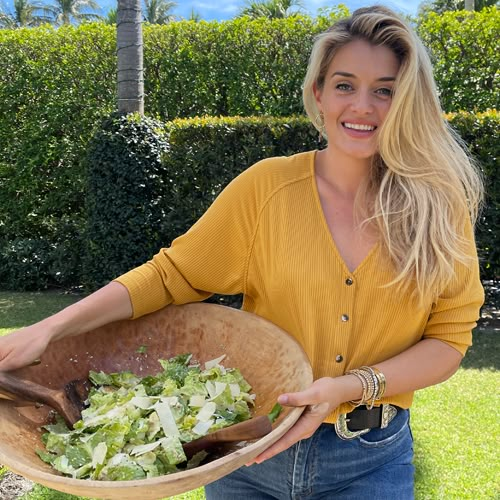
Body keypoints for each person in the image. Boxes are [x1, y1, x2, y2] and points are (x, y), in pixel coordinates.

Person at [0, 5, 484, 499]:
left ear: (408, 100)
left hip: (368, 462)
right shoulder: (265, 189)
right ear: (318, 93)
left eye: (385, 89)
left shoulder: (437, 207)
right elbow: (170, 276)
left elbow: (448, 340)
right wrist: (50, 328)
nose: (363, 106)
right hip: (246, 459)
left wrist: (349, 386)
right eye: (344, 85)